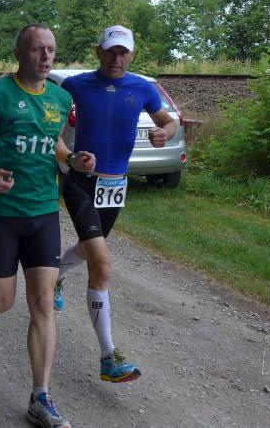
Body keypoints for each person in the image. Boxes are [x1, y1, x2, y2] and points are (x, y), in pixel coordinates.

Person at [0, 24, 92, 428]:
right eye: (36, 50)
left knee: (43, 302)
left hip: (43, 210)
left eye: (51, 50)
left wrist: (72, 159)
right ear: (18, 53)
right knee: (1, 302)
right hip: (1, 211)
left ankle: (40, 397)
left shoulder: (61, 98)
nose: (45, 57)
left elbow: (53, 142)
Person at [55, 24, 176, 384]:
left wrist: (163, 134)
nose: (116, 58)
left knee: (89, 248)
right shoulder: (75, 85)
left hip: (115, 186)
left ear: (132, 55)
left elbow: (167, 122)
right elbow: (52, 132)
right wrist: (70, 157)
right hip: (81, 182)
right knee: (102, 264)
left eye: (123, 52)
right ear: (98, 51)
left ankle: (55, 275)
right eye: (110, 51)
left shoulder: (143, 88)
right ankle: (109, 356)